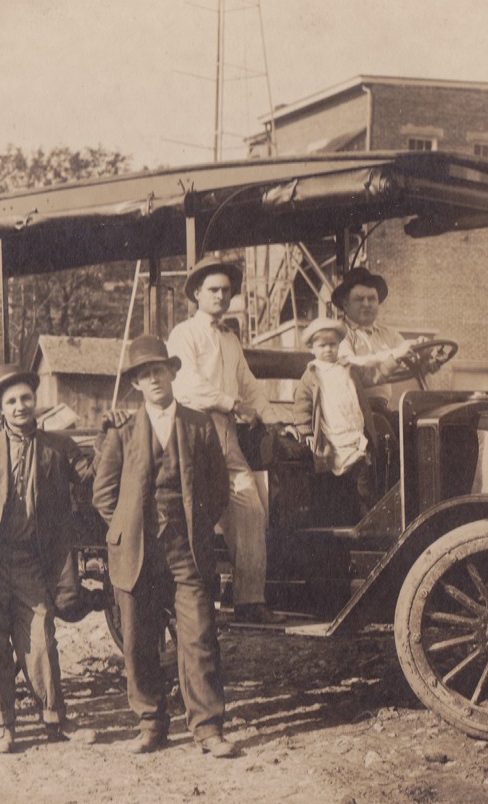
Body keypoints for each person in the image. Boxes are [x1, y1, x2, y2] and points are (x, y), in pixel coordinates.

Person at [92, 336, 236, 758]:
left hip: (187, 550)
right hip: (135, 552)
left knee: (199, 636)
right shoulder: (121, 433)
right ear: (136, 384)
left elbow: (218, 488)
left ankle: (208, 728)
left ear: (172, 373)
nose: (152, 379)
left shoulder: (198, 424)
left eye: (158, 370)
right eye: (143, 374)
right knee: (139, 641)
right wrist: (127, 529)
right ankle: (151, 723)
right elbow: (103, 495)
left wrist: (194, 527)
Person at [0, 364, 90, 753]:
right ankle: (2, 724)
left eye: (26, 397)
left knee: (40, 637)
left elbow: (91, 478)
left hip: (31, 562)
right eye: (11, 401)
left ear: (35, 401)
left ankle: (55, 718)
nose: (20, 406)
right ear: (1, 409)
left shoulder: (59, 449)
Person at [166, 254, 287, 625]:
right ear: (197, 294)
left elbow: (248, 383)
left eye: (226, 291)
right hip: (192, 431)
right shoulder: (184, 335)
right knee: (198, 514)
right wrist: (229, 402)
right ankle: (199, 602)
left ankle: (249, 600)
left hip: (226, 435)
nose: (221, 296)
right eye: (213, 290)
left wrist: (271, 417)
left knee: (250, 508)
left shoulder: (230, 338)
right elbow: (186, 385)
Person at [288, 317, 377, 514]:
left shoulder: (346, 369)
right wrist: (306, 431)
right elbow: (302, 404)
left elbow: (361, 393)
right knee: (338, 480)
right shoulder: (312, 374)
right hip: (333, 435)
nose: (328, 350)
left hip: (353, 431)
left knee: (363, 476)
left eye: (333, 345)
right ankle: (347, 514)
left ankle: (367, 513)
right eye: (322, 346)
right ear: (312, 348)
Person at [333, 267, 423, 413]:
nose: (367, 304)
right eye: (359, 299)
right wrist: (395, 355)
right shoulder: (339, 333)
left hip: (380, 409)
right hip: (350, 411)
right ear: (345, 304)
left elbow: (409, 358)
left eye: (372, 299)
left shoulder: (389, 334)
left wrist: (426, 354)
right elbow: (352, 369)